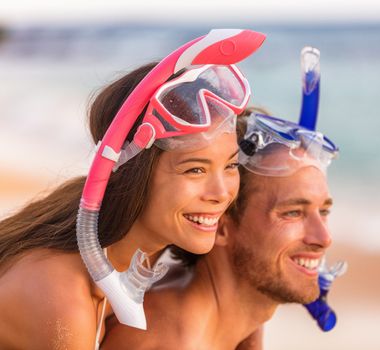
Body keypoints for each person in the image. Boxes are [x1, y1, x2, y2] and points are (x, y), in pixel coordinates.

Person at [0, 29, 265, 349]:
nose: (221, 193)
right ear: (133, 174)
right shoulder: (62, 297)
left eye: (231, 166)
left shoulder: (145, 252)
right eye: (195, 169)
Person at [101, 108, 339, 349]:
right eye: (293, 213)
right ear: (219, 225)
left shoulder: (223, 317)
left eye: (324, 211)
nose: (324, 238)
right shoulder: (170, 339)